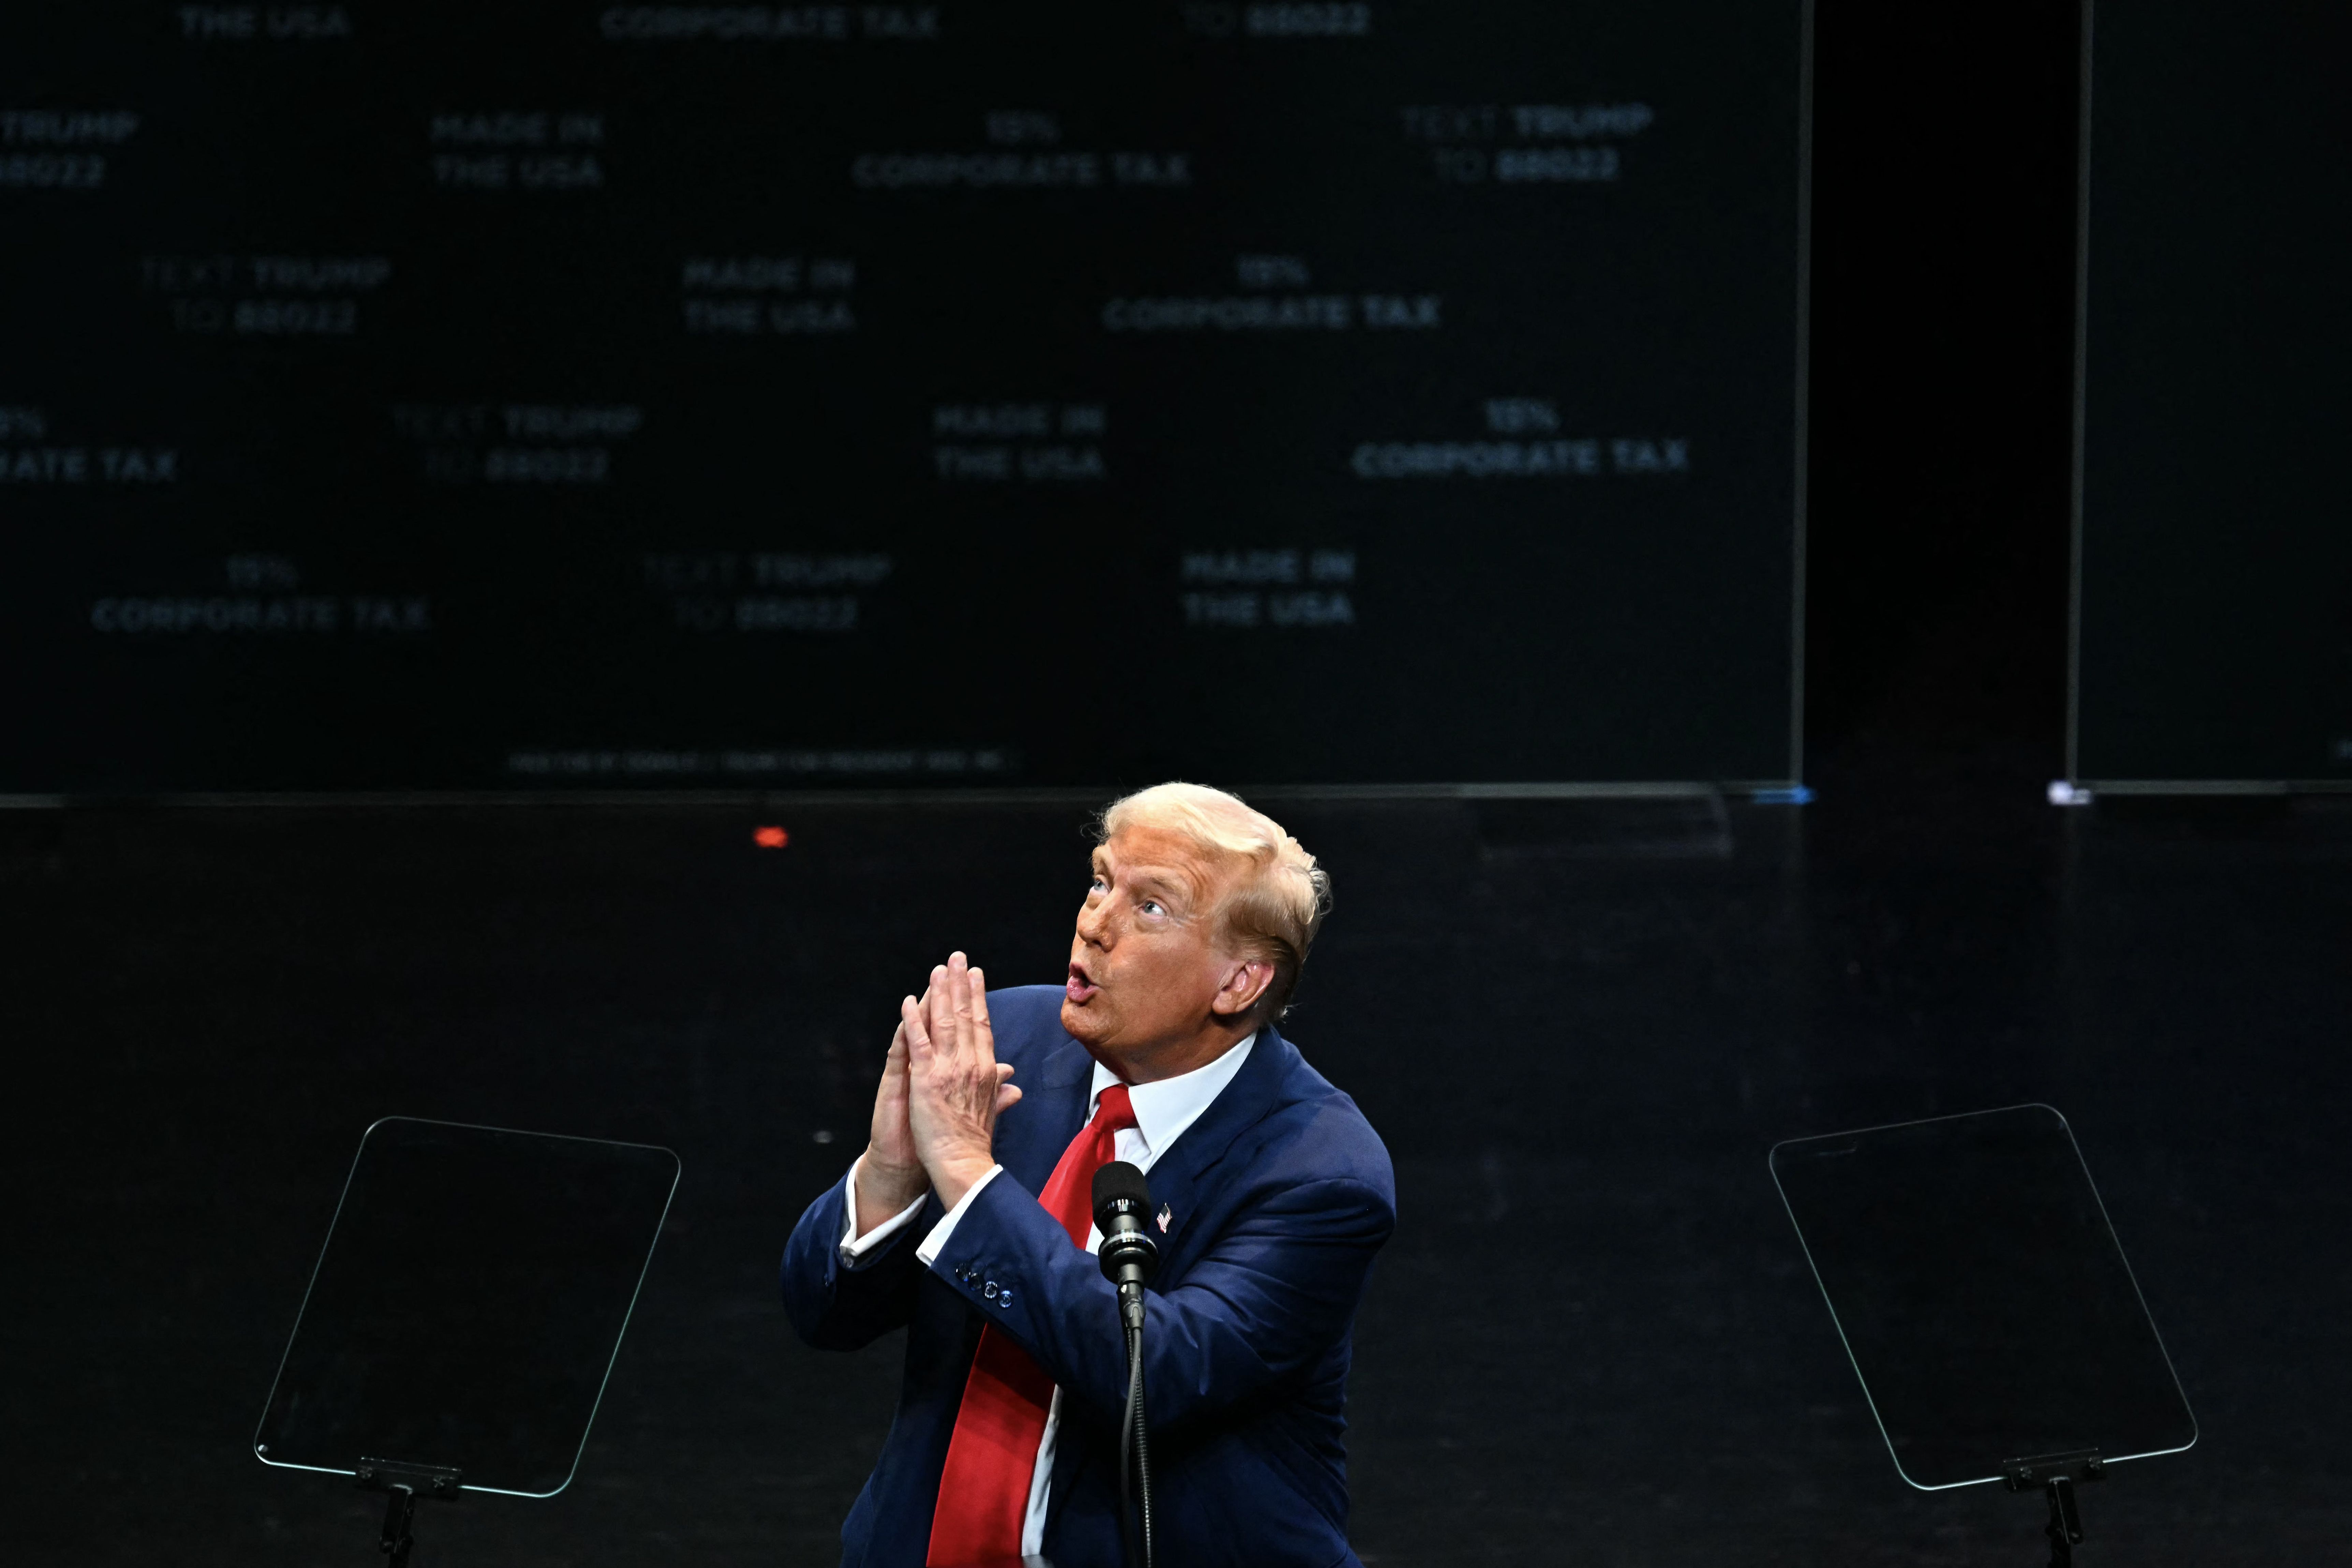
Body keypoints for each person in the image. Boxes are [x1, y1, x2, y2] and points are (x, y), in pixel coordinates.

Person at [781, 782, 1396, 1567]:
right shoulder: (1004, 1044)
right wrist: (891, 1173)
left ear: (1237, 982)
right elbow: (821, 1315)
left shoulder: (1319, 1171)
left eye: (1151, 907)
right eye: (1102, 880)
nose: (1093, 921)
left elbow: (1155, 1379)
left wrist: (967, 1172)